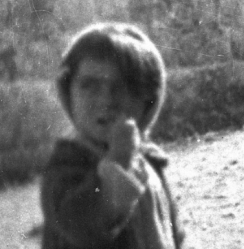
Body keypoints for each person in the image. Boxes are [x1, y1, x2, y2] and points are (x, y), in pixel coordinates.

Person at [40, 22, 185, 249]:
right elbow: (87, 226)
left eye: (123, 86)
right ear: (69, 93)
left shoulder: (148, 161)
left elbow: (173, 232)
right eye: (90, 85)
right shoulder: (66, 167)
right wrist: (119, 161)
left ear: (148, 100)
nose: (106, 100)